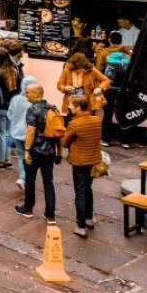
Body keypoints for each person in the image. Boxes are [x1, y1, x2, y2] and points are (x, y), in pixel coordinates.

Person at [14, 83, 62, 225]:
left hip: (35, 151)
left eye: (28, 92)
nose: (25, 94)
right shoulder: (53, 108)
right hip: (50, 152)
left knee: (30, 180)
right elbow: (59, 132)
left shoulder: (32, 110)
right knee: (48, 183)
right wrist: (59, 151)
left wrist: (27, 151)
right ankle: (50, 215)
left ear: (36, 94)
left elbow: (30, 132)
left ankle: (28, 209)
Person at [61, 95, 102, 238]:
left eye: (71, 105)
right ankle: (89, 218)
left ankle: (80, 226)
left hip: (79, 161)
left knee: (80, 192)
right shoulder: (97, 120)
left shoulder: (75, 123)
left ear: (78, 107)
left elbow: (65, 142)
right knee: (88, 188)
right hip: (93, 160)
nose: (69, 107)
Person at [99, 31, 130, 147]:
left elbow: (98, 69)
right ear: (121, 41)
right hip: (123, 89)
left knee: (108, 114)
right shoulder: (126, 56)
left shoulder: (103, 53)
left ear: (109, 40)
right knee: (124, 113)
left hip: (109, 87)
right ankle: (125, 141)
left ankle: (106, 139)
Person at [8, 75, 37, 192]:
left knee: (20, 156)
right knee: (31, 156)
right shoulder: (34, 101)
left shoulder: (15, 99)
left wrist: (15, 124)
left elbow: (10, 115)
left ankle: (22, 178)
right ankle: (28, 180)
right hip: (30, 133)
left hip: (16, 132)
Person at [57, 52, 110, 116]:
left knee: (86, 124)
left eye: (81, 67)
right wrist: (65, 88)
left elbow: (106, 80)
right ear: (73, 65)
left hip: (87, 104)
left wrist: (100, 88)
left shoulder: (91, 70)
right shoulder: (67, 70)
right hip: (71, 104)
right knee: (71, 122)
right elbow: (59, 84)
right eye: (76, 68)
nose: (79, 69)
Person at [0, 46, 19, 170]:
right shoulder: (14, 71)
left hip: (0, 106)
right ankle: (8, 160)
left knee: (0, 134)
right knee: (8, 133)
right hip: (12, 106)